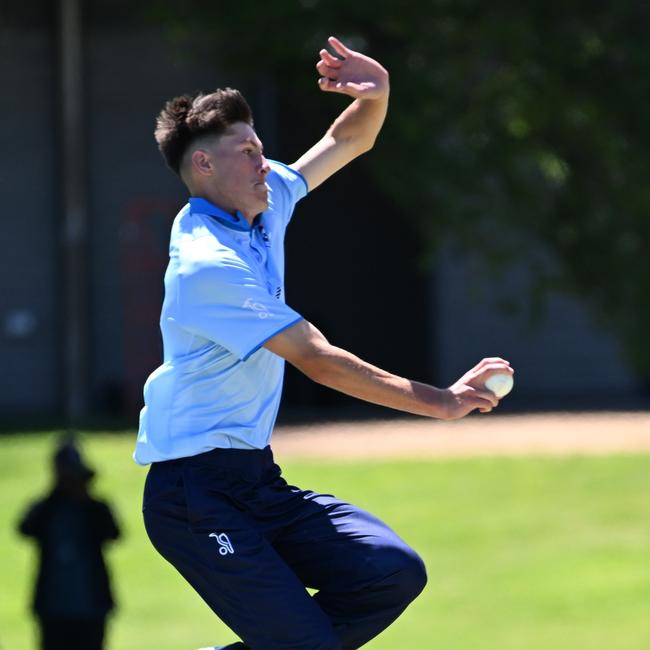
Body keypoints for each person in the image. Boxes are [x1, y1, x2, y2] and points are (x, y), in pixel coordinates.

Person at [135, 36, 513, 650]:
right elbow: (318, 359)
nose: (266, 162)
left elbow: (347, 141)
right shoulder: (206, 264)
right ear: (203, 166)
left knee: (390, 572)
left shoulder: (262, 201)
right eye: (249, 151)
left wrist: (378, 91)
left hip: (254, 477)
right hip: (193, 494)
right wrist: (441, 402)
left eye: (261, 149)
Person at [17, 436, 121, 650]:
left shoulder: (95, 508)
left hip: (91, 604)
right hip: (53, 606)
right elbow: (25, 528)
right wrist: (55, 492)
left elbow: (113, 533)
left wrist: (84, 496)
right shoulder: (48, 508)